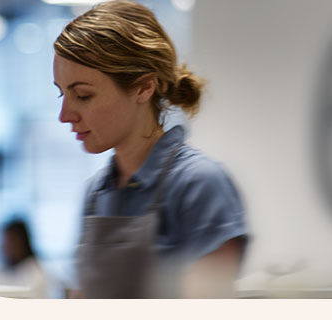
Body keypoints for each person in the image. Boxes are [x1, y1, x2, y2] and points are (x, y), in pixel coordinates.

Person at [53, 0, 249, 298]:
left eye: (82, 95)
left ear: (144, 88)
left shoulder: (199, 185)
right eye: (62, 94)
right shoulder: (96, 195)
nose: (65, 115)